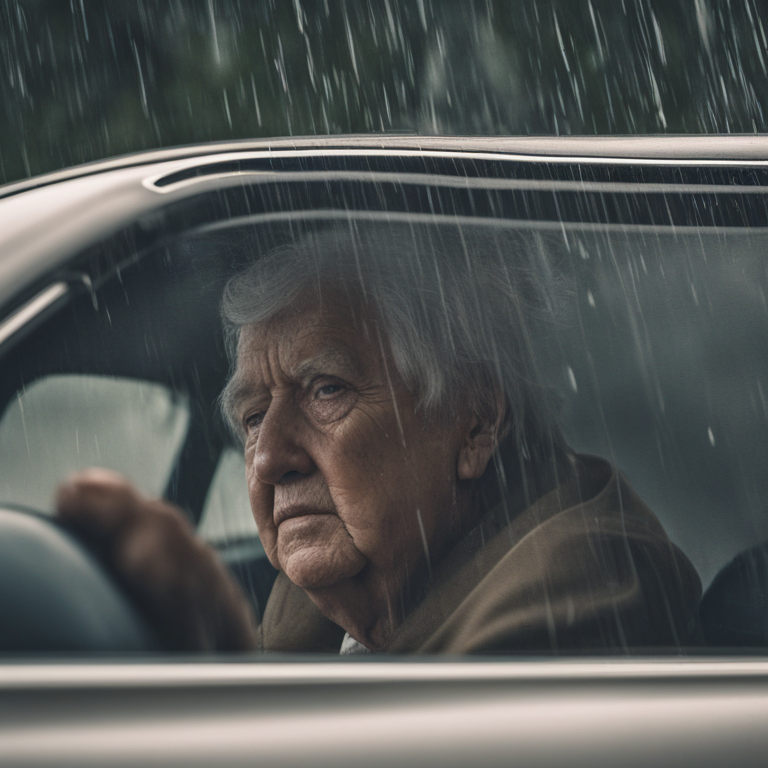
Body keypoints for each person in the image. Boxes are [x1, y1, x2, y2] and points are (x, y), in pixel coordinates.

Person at [56, 223, 701, 653]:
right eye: (254, 418)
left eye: (326, 390)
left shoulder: (579, 591)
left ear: (475, 422)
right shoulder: (343, 587)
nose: (271, 458)